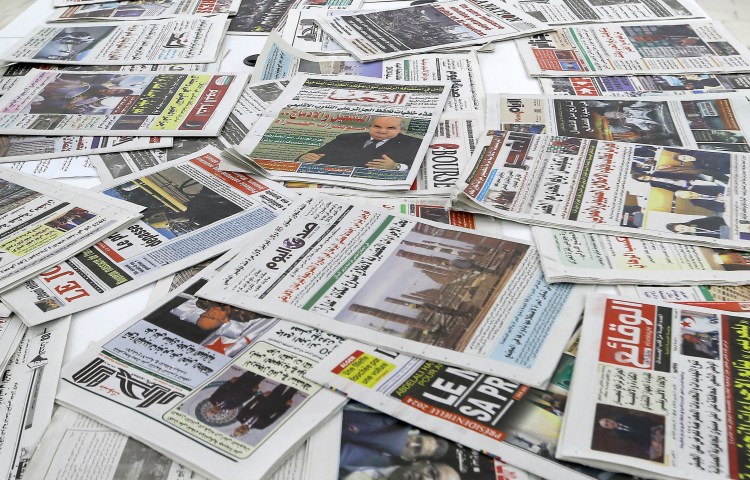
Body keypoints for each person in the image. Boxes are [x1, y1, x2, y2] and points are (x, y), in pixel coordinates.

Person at [297, 116, 422, 170]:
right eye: (377, 126)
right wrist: (304, 157)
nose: (382, 131)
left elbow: (420, 169)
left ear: (401, 129)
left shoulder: (414, 144)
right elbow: (319, 153)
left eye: (390, 128)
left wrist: (396, 167)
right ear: (369, 126)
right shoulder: (346, 138)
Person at [598, 414, 662, 453]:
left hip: (657, 430)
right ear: (608, 428)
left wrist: (655, 433)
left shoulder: (625, 418)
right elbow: (639, 441)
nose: (609, 423)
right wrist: (650, 445)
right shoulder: (621, 435)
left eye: (607, 421)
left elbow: (646, 420)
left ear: (610, 418)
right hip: (654, 441)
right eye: (606, 425)